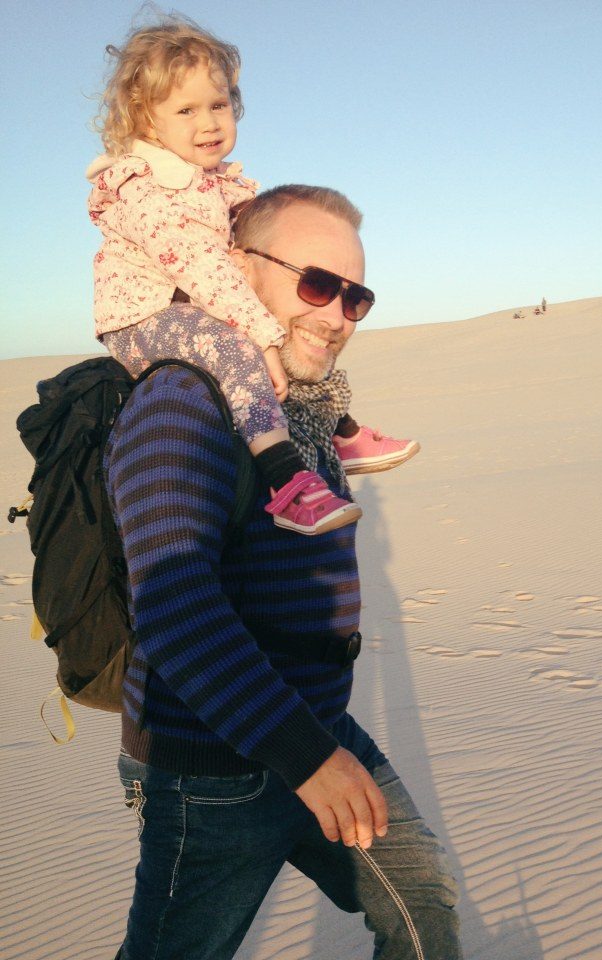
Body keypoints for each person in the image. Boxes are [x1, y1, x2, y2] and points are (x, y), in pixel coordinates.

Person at [106, 184, 463, 959]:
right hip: (212, 770)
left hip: (317, 732)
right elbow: (174, 609)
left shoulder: (297, 405)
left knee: (423, 907)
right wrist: (307, 758)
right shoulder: (182, 399)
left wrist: (317, 747)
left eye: (355, 297)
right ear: (234, 266)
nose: (336, 316)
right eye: (316, 283)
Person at [87, 15, 418, 538]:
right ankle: (287, 483)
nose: (209, 123)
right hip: (143, 318)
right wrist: (260, 335)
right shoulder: (146, 190)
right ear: (148, 123)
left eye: (219, 105)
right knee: (240, 346)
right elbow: (203, 265)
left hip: (191, 305)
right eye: (186, 109)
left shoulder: (210, 182)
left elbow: (256, 228)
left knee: (304, 328)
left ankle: (339, 431)